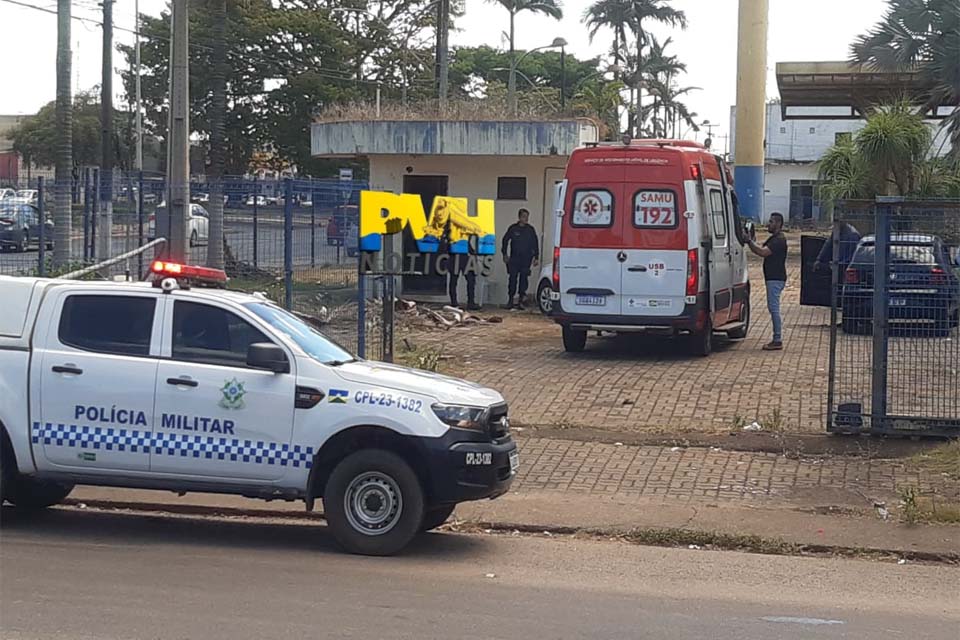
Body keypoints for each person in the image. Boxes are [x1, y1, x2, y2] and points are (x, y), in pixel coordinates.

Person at [746, 212, 788, 351]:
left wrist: (749, 241)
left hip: (775, 278)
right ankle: (777, 338)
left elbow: (762, 252)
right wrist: (751, 240)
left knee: (774, 308)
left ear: (777, 223)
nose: (768, 224)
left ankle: (777, 339)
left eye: (771, 222)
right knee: (773, 308)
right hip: (774, 277)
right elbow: (760, 249)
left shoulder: (778, 240)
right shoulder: (775, 238)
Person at [501, 208, 540, 309]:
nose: (526, 219)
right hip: (514, 259)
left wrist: (536, 257)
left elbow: (535, 243)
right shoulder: (513, 228)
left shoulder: (530, 230)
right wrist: (504, 254)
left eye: (527, 217)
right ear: (519, 217)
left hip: (526, 259)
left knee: (524, 280)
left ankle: (521, 301)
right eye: (524, 217)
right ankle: (510, 300)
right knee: (512, 279)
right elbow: (505, 240)